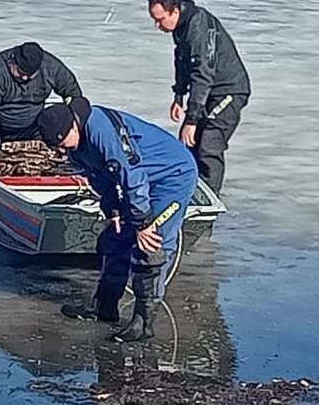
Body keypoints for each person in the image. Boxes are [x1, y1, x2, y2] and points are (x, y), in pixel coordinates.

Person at [37, 96, 198, 342]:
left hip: (172, 177)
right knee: (115, 238)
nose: (61, 150)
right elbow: (99, 177)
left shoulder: (102, 134)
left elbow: (133, 178)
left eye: (62, 143)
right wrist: (113, 210)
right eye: (56, 147)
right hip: (141, 180)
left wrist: (143, 224)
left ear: (73, 126)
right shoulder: (73, 146)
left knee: (150, 247)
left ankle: (143, 323)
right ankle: (105, 306)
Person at [148, 0, 251, 196]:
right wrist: (178, 96)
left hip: (229, 90)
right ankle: (188, 191)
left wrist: (192, 120)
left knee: (208, 146)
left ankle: (209, 199)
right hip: (208, 91)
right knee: (189, 145)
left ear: (174, 11)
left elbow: (202, 74)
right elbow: (181, 60)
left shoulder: (199, 27)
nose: (157, 25)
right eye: (154, 20)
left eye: (160, 20)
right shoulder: (180, 26)